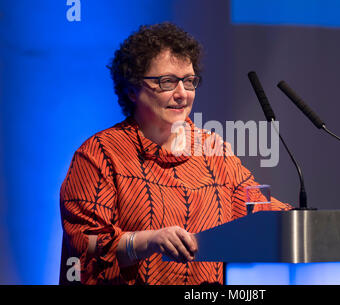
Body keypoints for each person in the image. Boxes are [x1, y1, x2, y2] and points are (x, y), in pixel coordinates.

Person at [59, 22, 292, 285]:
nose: (182, 94)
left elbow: (256, 206)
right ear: (132, 88)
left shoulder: (213, 150)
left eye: (189, 82)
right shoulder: (100, 154)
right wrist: (148, 241)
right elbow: (86, 243)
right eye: (167, 81)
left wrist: (303, 222)